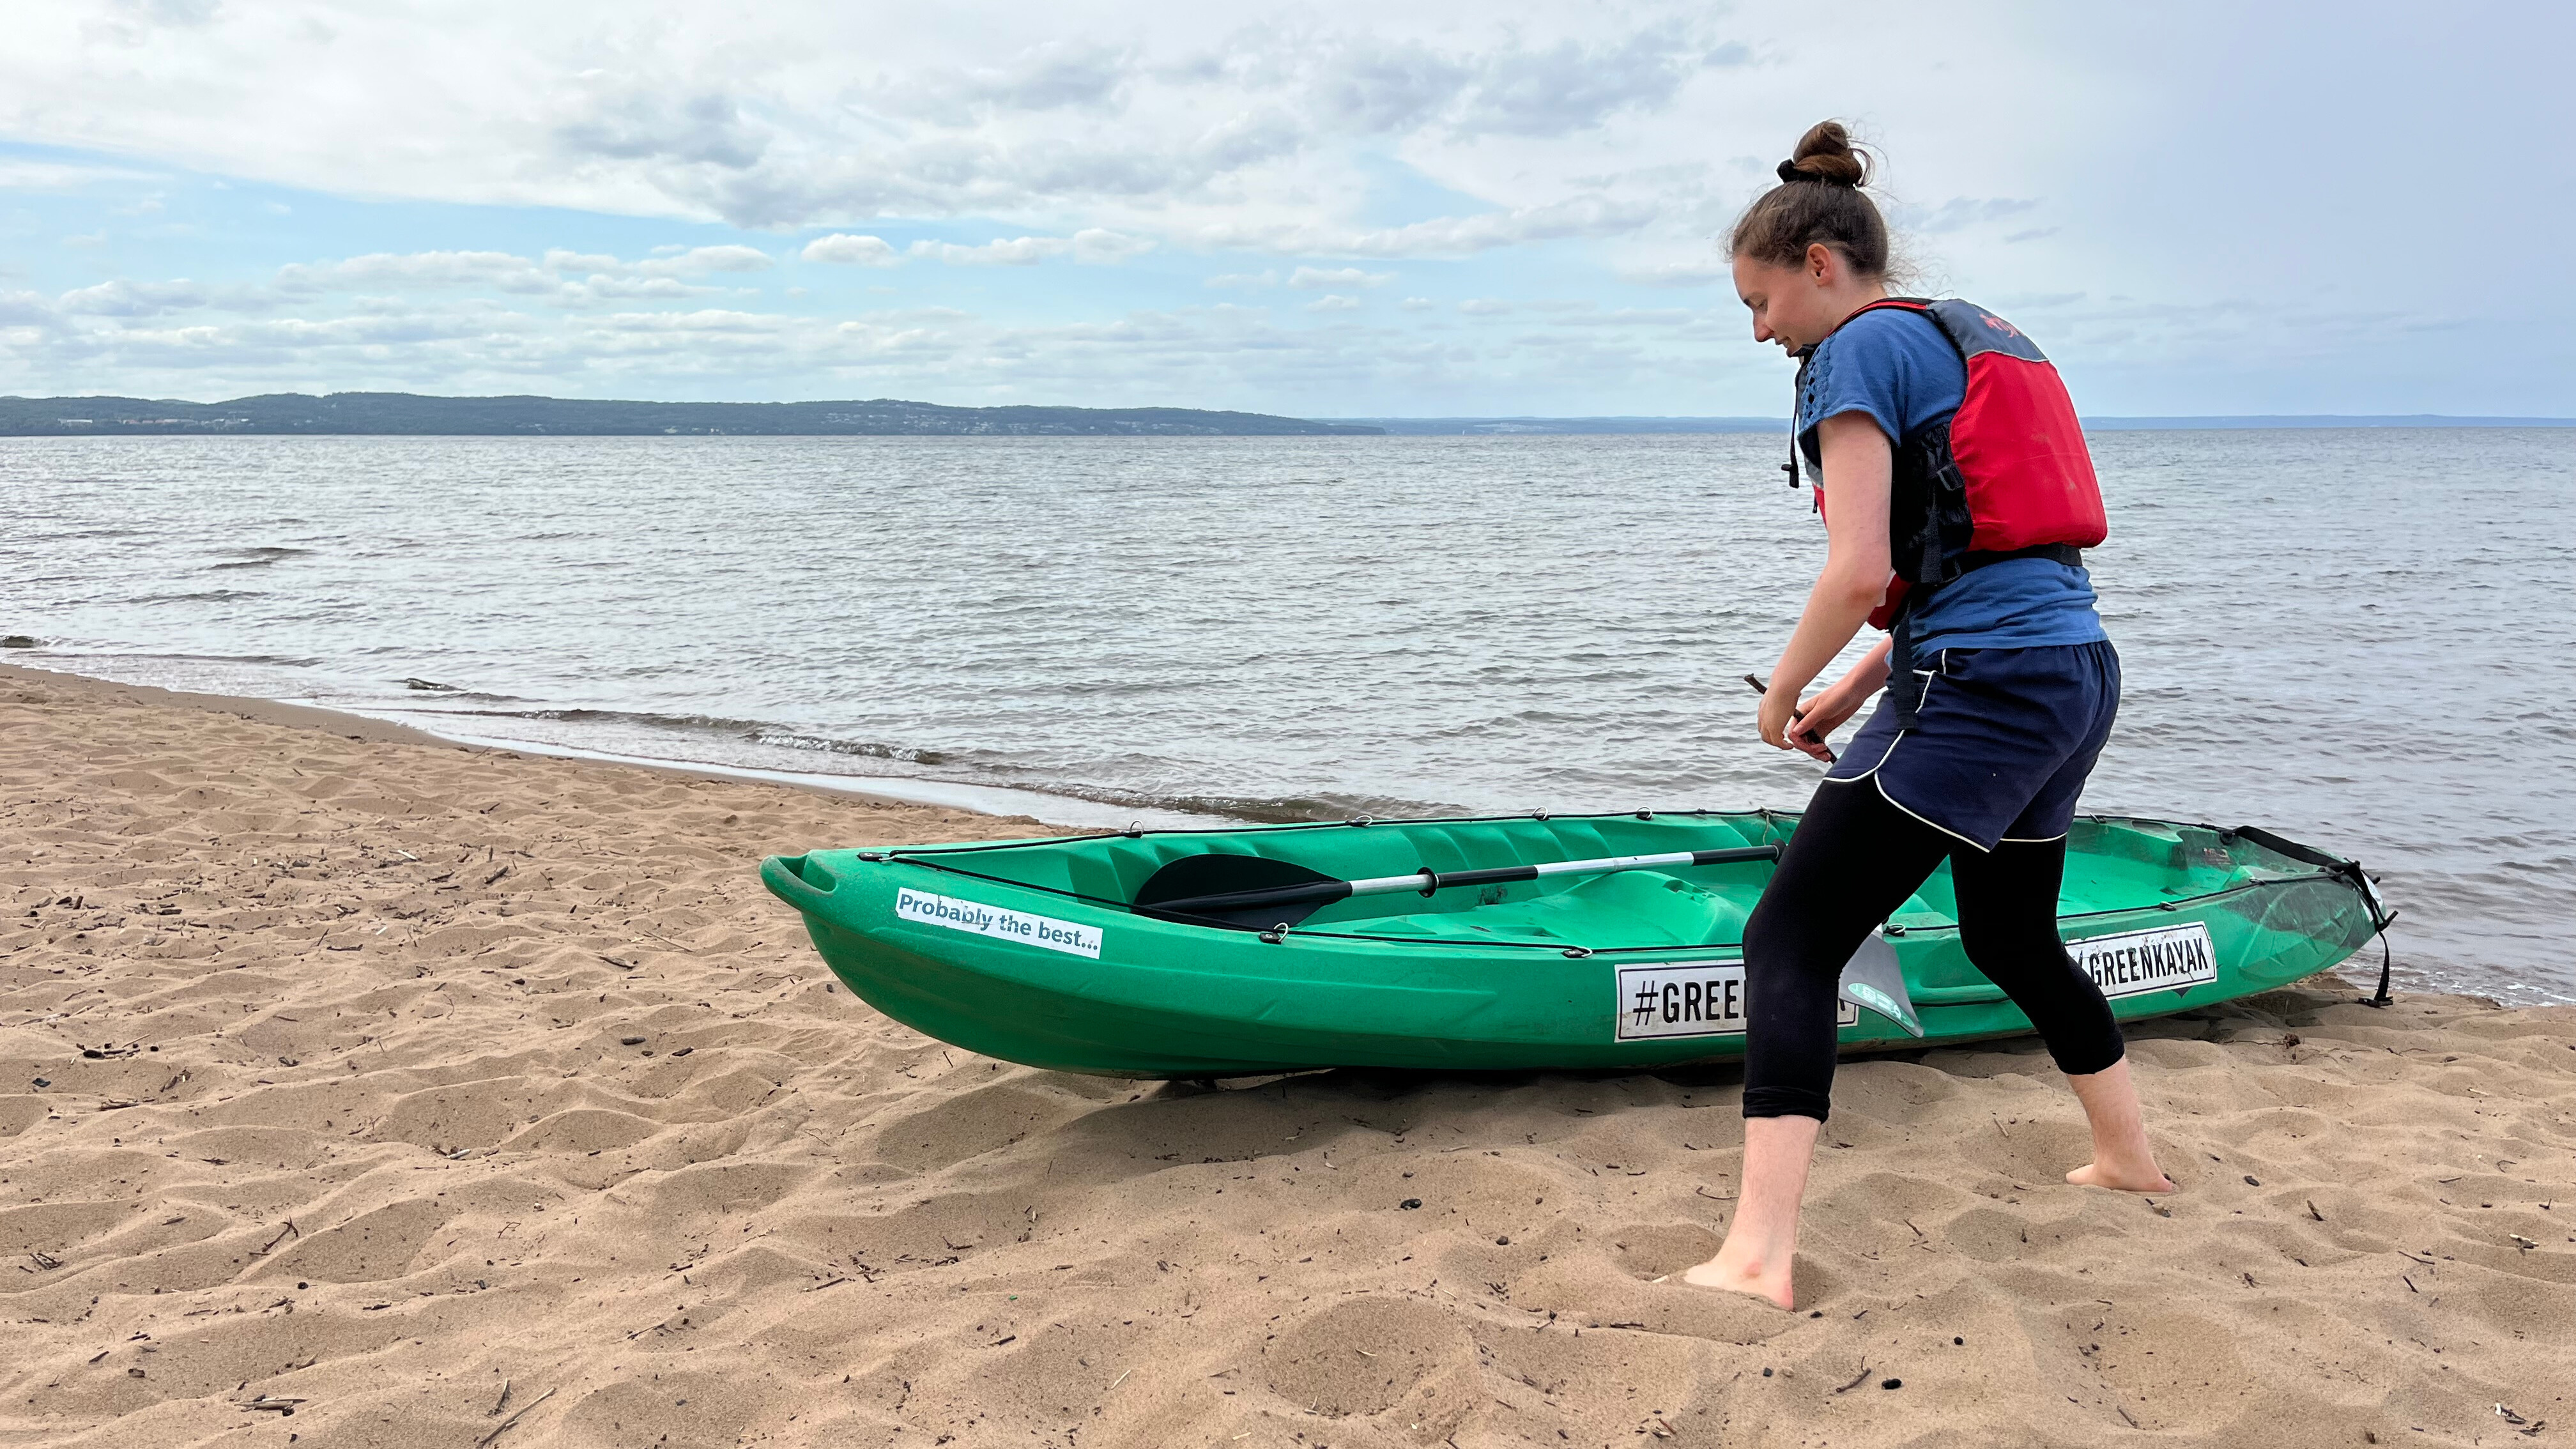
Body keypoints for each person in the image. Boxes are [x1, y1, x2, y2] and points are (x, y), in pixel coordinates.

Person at [1682, 121, 2174, 1311]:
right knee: (2011, 935)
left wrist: (1783, 691)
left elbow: (1859, 571)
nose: (1761, 333)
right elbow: (1964, 566)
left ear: (1818, 265)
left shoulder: (1853, 352)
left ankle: (1756, 1257)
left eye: (1760, 303)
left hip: (1983, 685)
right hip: (2071, 670)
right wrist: (1854, 691)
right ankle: (2128, 1160)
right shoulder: (1961, 332)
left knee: (1789, 942)